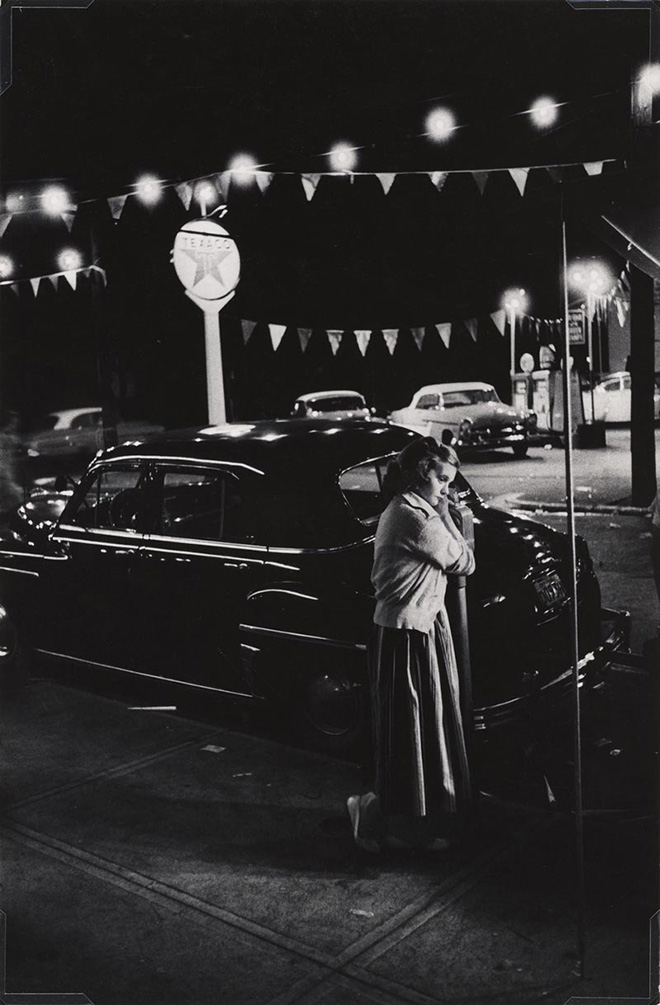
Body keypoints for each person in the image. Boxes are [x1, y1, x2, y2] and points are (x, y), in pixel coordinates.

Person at [347, 436, 475, 853]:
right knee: (413, 729)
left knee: (417, 728)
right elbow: (464, 561)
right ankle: (381, 821)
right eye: (441, 479)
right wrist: (447, 516)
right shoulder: (414, 518)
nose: (446, 489)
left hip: (417, 626)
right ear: (422, 474)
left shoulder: (411, 509)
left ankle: (396, 817)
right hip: (407, 632)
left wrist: (441, 512)